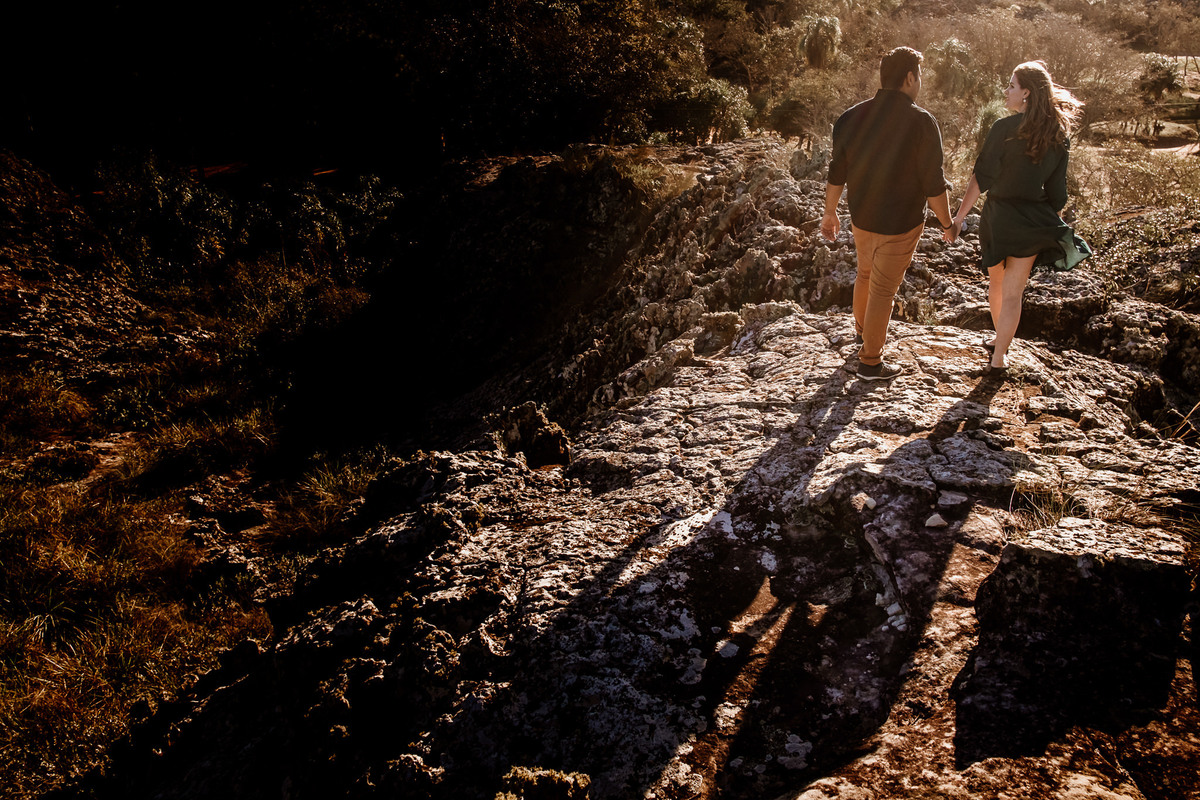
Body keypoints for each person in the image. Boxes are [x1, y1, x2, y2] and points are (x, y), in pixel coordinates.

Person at [948, 60, 1091, 376]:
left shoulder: (1003, 128)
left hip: (998, 217)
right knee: (1014, 293)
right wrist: (1041, 217)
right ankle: (1000, 357)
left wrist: (959, 217)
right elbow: (1058, 194)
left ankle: (999, 344)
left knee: (996, 287)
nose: (1006, 90)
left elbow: (981, 177)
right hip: (1031, 220)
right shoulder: (1058, 135)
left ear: (1026, 92)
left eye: (1011, 85)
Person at [822, 46, 953, 380]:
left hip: (862, 218)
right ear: (910, 78)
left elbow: (837, 171)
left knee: (865, 275)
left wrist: (830, 213)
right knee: (883, 289)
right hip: (901, 223)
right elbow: (934, 185)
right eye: (919, 76)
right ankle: (870, 362)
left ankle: (863, 333)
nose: (919, 82)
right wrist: (948, 223)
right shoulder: (922, 122)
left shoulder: (851, 117)